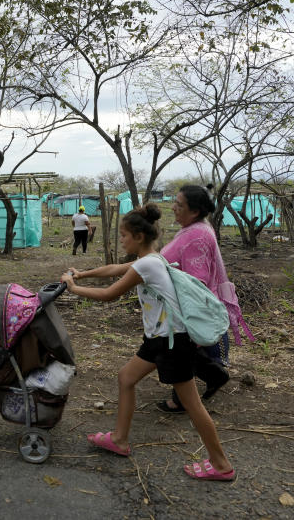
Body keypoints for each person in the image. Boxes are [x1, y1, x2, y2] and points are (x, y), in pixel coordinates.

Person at [61, 204, 235, 481]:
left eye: (124, 235)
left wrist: (73, 288)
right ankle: (119, 439)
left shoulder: (147, 264)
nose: (121, 239)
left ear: (139, 237)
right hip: (159, 339)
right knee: (126, 378)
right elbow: (115, 268)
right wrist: (82, 274)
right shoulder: (152, 259)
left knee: (192, 404)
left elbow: (110, 294)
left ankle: (221, 464)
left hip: (171, 341)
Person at [156, 184, 253, 413]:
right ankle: (212, 375)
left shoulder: (197, 234)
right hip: (182, 302)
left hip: (187, 303)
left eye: (179, 205)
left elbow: (197, 279)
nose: (173, 208)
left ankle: (184, 397)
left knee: (177, 348)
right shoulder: (196, 227)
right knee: (177, 347)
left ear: (195, 211)